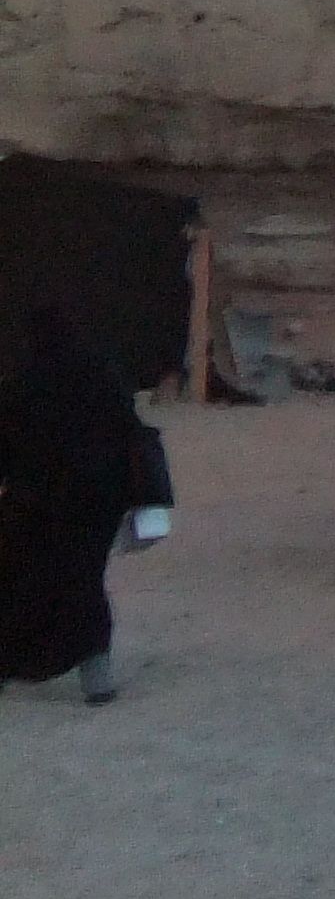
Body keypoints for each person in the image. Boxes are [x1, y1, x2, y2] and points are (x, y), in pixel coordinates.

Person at [0, 301, 164, 705]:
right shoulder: (100, 370)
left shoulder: (23, 379)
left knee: (20, 579)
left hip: (35, 499)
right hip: (97, 497)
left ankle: (15, 661)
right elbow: (127, 429)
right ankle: (96, 672)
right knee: (83, 578)